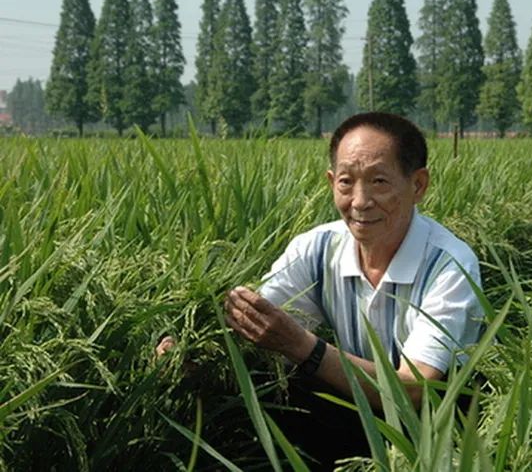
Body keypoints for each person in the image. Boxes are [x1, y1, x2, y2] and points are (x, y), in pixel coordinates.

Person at [159, 112, 484, 469]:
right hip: (356, 414)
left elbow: (413, 390)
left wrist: (302, 346)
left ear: (418, 185)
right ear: (331, 182)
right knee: (273, 388)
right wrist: (195, 352)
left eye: (378, 182)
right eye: (346, 182)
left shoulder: (449, 265)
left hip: (435, 431)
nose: (360, 201)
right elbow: (256, 324)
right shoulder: (316, 249)